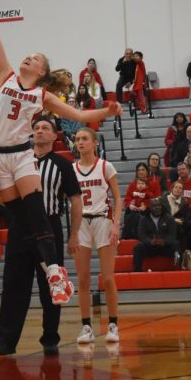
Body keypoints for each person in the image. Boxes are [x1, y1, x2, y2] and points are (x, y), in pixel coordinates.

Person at [0, 0, 121, 316]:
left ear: (41, 73)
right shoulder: (5, 76)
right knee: (20, 219)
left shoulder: (42, 96)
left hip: (20, 154)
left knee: (37, 213)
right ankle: (48, 267)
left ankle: (54, 271)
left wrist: (106, 110)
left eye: (36, 59)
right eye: (29, 54)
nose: (29, 57)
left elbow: (81, 115)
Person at [0, 117, 81, 356]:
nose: (40, 131)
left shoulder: (63, 165)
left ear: (55, 136)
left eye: (45, 128)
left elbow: (75, 200)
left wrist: (74, 234)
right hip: (20, 228)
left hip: (50, 228)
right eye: (37, 128)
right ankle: (6, 341)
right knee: (13, 286)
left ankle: (50, 338)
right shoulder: (19, 161)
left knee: (52, 287)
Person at [72, 128, 122, 344]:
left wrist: (116, 224)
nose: (80, 143)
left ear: (94, 143)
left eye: (84, 139)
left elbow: (118, 199)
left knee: (108, 277)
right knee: (83, 278)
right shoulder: (71, 169)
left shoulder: (105, 166)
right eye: (77, 139)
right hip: (80, 222)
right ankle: (86, 327)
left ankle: (113, 325)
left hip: (103, 219)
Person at [133, 197, 179, 272]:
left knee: (176, 244)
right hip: (150, 247)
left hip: (165, 246)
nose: (157, 208)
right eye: (154, 206)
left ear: (161, 206)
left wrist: (164, 241)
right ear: (150, 207)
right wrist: (150, 241)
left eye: (158, 205)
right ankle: (137, 271)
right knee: (138, 247)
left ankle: (178, 269)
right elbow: (142, 235)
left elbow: (172, 235)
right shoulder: (144, 219)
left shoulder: (169, 218)